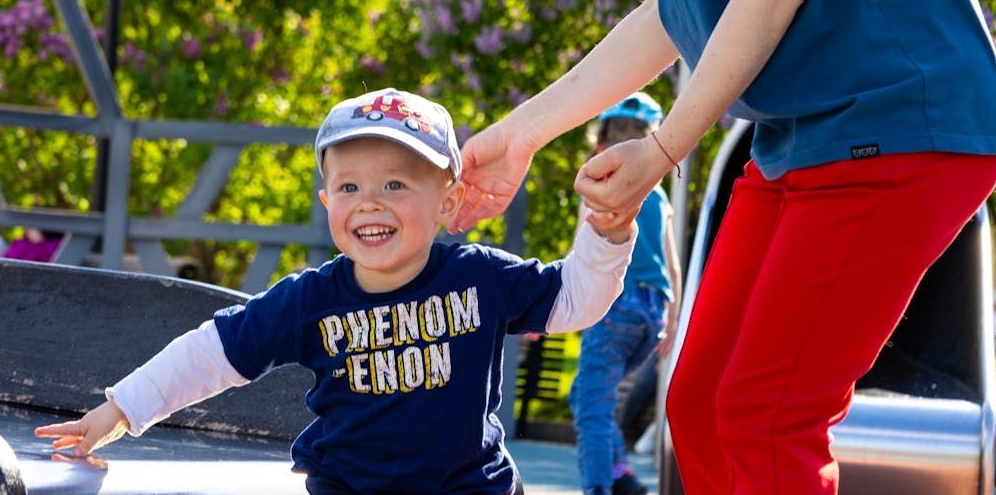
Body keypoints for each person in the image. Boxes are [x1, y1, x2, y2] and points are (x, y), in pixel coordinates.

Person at [446, 0, 996, 493]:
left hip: (897, 117)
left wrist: (661, 149)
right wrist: (521, 134)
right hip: (799, 136)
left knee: (767, 417)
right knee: (700, 405)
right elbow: (663, 15)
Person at [35, 88, 639, 494]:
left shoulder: (479, 277)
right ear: (327, 201)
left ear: (448, 202)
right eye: (348, 188)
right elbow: (212, 352)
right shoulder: (311, 300)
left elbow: (575, 300)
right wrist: (121, 410)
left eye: (395, 184)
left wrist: (606, 233)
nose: (369, 203)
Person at [568, 93, 682, 495]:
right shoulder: (660, 195)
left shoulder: (601, 189)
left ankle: (599, 487)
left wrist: (547, 305)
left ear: (600, 147)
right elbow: (672, 265)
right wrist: (672, 320)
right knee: (584, 394)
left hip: (616, 306)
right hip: (652, 315)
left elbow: (581, 255)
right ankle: (621, 476)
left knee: (591, 408)